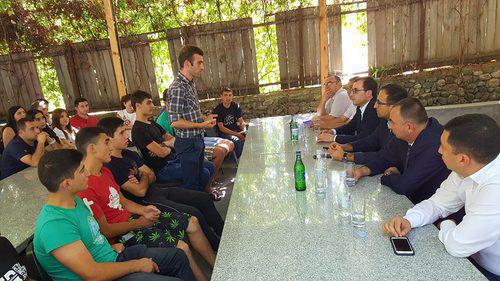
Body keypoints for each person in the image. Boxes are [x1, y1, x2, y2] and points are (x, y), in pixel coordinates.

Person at [75, 127, 215, 281]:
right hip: (124, 234)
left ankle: (218, 266)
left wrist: (144, 210)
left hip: (134, 219)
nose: (110, 146)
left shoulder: (105, 172)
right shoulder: (84, 187)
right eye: (106, 142)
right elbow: (106, 231)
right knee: (182, 247)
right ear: (92, 148)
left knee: (192, 222)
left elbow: (123, 201)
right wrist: (139, 222)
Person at [33, 149, 195, 281]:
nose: (87, 174)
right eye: (82, 171)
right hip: (101, 275)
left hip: (112, 258)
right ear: (67, 184)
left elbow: (89, 238)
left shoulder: (75, 201)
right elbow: (92, 274)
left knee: (178, 256)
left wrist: (107, 247)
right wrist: (137, 265)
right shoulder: (54, 225)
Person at [383, 114, 500, 280]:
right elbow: (438, 204)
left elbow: (458, 245)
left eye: (443, 147)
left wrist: (446, 223)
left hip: (491, 271)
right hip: (471, 260)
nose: (439, 151)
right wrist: (409, 219)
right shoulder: (465, 169)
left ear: (462, 159)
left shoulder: (496, 188)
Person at [99, 116, 224, 251]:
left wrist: (143, 178)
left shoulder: (129, 154)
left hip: (157, 189)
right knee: (194, 212)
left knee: (203, 198)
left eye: (125, 131)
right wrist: (144, 176)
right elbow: (139, 192)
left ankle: (225, 234)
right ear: (108, 138)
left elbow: (151, 176)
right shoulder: (110, 165)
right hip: (145, 201)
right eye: (121, 133)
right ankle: (217, 246)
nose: (126, 135)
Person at [353, 98, 450, 204]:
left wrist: (388, 176)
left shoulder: (435, 145)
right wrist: (363, 170)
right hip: (412, 203)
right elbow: (387, 158)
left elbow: (403, 186)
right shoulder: (406, 135)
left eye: (392, 122)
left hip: (435, 212)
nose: (389, 127)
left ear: (409, 127)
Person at [131, 90, 216, 195]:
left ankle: (204, 193)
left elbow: (175, 140)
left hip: (175, 159)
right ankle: (196, 199)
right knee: (203, 173)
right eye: (148, 103)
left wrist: (163, 145)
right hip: (163, 169)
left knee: (210, 166)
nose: (153, 106)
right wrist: (164, 147)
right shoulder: (138, 130)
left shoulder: (152, 123)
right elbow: (161, 153)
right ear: (138, 105)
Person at [165, 45, 219, 191]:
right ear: (187, 64)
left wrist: (204, 118)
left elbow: (190, 114)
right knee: (192, 185)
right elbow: (175, 121)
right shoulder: (177, 87)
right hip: (187, 144)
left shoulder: (190, 84)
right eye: (199, 62)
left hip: (197, 140)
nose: (203, 67)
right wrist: (202, 125)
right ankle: (197, 212)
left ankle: (203, 206)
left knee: (201, 178)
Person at [157, 99, 234, 184]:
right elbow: (170, 143)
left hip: (197, 137)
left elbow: (196, 123)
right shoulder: (162, 121)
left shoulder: (182, 112)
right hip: (185, 145)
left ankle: (211, 177)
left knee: (229, 143)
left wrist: (205, 120)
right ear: (165, 103)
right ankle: (210, 183)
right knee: (220, 151)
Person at [328, 84, 408, 164]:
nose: (375, 106)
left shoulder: (403, 129)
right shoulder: (384, 121)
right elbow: (371, 140)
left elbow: (386, 157)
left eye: (379, 103)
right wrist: (344, 146)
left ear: (394, 106)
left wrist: (346, 156)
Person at [317, 76, 381, 143]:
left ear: (368, 93)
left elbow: (363, 138)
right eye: (351, 90)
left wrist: (334, 138)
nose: (350, 94)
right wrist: (332, 131)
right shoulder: (361, 107)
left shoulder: (374, 110)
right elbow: (351, 126)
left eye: (355, 91)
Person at [212, 87, 246, 159]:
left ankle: (244, 156)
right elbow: (221, 128)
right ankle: (238, 160)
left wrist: (244, 130)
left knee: (248, 136)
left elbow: (241, 121)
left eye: (230, 95)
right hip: (224, 133)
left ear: (232, 96)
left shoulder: (235, 106)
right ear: (221, 97)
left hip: (235, 130)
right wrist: (237, 134)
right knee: (236, 140)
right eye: (225, 95)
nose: (228, 97)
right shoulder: (217, 109)